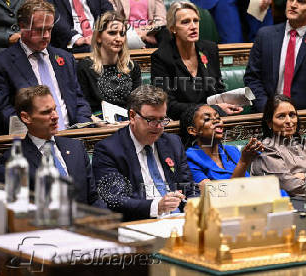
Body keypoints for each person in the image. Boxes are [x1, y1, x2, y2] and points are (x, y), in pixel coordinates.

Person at [92, 85, 197, 221]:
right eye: (151, 120)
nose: (159, 127)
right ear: (132, 116)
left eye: (162, 120)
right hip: (140, 223)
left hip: (179, 219)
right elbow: (115, 198)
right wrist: (157, 206)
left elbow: (189, 186)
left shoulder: (173, 143)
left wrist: (194, 205)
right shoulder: (109, 150)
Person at [0, 0, 92, 135]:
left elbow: (79, 100)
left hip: (73, 137)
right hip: (31, 141)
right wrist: (34, 134)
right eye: (40, 30)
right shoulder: (2, 63)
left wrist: (81, 129)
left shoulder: (65, 58)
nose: (46, 35)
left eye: (49, 29)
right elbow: (3, 110)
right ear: (23, 27)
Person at [0, 85, 98, 205]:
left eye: (54, 109)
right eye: (46, 112)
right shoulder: (13, 161)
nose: (55, 116)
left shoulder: (76, 148)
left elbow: (94, 198)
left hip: (86, 221)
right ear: (26, 117)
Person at [244, 0, 306, 115]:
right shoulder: (265, 35)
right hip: (266, 114)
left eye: (301, 2)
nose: (293, 5)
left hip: (305, 116)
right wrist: (268, 110)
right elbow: (252, 78)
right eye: (290, 0)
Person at [151, 1, 242, 121]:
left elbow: (218, 89)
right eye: (185, 22)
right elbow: (168, 105)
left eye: (196, 20)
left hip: (212, 121)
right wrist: (212, 108)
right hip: (182, 123)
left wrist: (229, 103)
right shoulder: (162, 57)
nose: (193, 26)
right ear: (173, 28)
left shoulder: (209, 49)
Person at [251, 94, 306, 196]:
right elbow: (291, 187)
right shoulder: (266, 149)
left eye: (292, 115)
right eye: (281, 116)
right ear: (269, 123)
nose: (289, 121)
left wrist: (304, 176)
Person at [180, 104, 263, 186]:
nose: (216, 121)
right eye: (207, 119)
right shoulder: (189, 159)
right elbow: (214, 194)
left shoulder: (231, 150)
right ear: (193, 130)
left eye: (218, 118)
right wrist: (243, 162)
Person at [77, 11, 142, 115]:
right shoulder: (85, 67)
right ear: (98, 37)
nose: (118, 39)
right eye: (112, 33)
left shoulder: (132, 66)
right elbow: (83, 105)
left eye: (122, 34)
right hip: (99, 123)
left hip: (128, 120)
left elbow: (137, 104)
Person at [47, 0, 113, 53]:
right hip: (70, 44)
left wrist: (101, 34)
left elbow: (108, 12)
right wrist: (77, 38)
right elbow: (53, 16)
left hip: (100, 38)